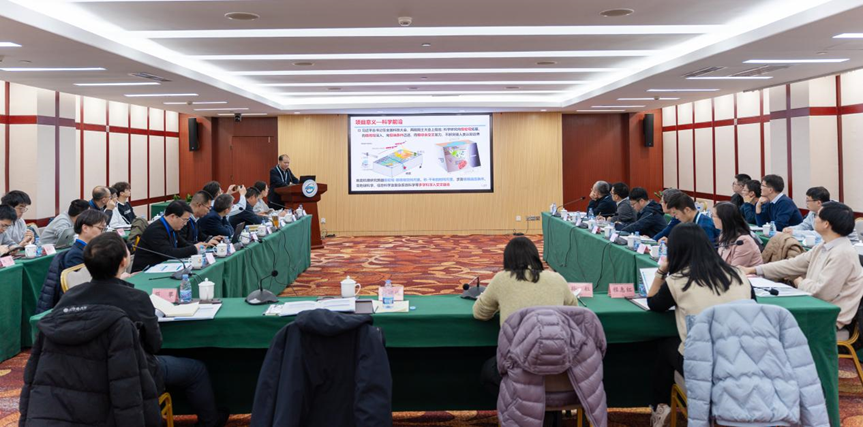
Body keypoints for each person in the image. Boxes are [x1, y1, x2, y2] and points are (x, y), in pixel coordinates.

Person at [54, 233, 228, 426]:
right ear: (124, 261)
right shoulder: (136, 298)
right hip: (131, 372)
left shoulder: (69, 297)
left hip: (77, 375)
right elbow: (154, 344)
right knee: (196, 370)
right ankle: (210, 422)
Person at [646, 222, 753, 427]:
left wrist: (661, 271)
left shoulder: (677, 280)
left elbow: (653, 303)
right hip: (743, 357)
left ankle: (660, 405)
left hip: (702, 364)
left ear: (675, 251)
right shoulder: (738, 274)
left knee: (665, 345)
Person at [473, 236, 577, 397]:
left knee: (488, 371)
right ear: (535, 257)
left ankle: (515, 402)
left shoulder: (502, 279)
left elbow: (480, 313)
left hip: (517, 363)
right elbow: (574, 311)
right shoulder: (557, 278)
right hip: (557, 361)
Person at [744, 203, 863, 333]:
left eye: (817, 216)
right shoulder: (823, 246)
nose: (814, 219)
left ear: (826, 224)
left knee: (763, 323)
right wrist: (754, 270)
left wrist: (798, 281)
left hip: (828, 318)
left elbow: (821, 292)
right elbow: (793, 264)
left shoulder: (842, 254)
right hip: (814, 307)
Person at [35, 209, 107, 313]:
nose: (103, 232)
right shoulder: (75, 255)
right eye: (100, 228)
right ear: (85, 228)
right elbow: (82, 288)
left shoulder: (89, 250)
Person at [130, 201, 210, 273]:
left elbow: (183, 244)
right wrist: (194, 248)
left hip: (162, 268)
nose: (185, 224)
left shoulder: (172, 227)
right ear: (173, 216)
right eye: (184, 220)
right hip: (144, 272)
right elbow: (168, 253)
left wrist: (201, 245)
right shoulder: (156, 230)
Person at [783, 187, 859, 243]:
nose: (806, 203)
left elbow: (821, 233)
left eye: (808, 200)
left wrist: (794, 232)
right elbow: (804, 226)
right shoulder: (813, 211)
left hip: (849, 246)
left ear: (818, 202)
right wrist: (789, 229)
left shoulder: (834, 211)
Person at [712, 202, 763, 268]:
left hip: (744, 274)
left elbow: (735, 270)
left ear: (724, 218)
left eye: (713, 216)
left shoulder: (744, 241)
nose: (712, 218)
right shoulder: (723, 234)